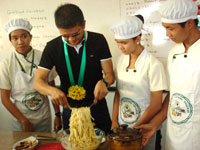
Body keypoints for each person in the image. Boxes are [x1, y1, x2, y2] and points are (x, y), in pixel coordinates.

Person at [33, 3, 114, 134]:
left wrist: (104, 82)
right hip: (69, 109)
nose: (71, 39)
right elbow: (38, 82)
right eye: (65, 36)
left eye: (76, 34)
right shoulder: (52, 47)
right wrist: (51, 91)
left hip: (97, 106)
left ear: (84, 24)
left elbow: (110, 74)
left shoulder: (98, 40)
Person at [135, 0, 200, 149]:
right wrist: (154, 125)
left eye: (171, 28)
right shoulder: (174, 52)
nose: (167, 34)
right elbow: (173, 94)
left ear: (189, 23)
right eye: (165, 28)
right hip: (174, 132)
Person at [110, 15, 168, 150]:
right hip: (121, 127)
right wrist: (114, 122)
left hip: (143, 127)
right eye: (117, 42)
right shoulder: (120, 61)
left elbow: (156, 104)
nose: (120, 47)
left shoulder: (153, 65)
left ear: (137, 39)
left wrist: (135, 129)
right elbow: (119, 93)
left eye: (124, 42)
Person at [0, 18, 62, 132]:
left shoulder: (43, 57)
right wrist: (24, 121)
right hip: (21, 119)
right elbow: (5, 99)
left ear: (30, 37)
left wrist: (58, 115)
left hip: (44, 116)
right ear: (10, 40)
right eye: (15, 38)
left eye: (24, 36)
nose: (20, 41)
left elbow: (51, 88)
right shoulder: (6, 64)